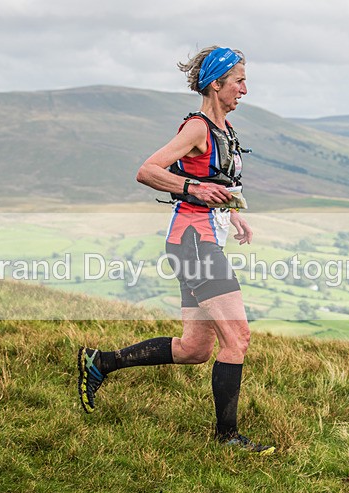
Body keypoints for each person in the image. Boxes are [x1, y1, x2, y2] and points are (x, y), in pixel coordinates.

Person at [78, 46, 274, 455]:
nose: (245, 89)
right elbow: (147, 170)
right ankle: (227, 438)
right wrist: (193, 189)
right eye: (238, 81)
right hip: (193, 244)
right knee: (237, 338)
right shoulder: (198, 129)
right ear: (215, 84)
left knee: (195, 349)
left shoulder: (225, 130)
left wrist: (232, 211)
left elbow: (217, 179)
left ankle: (100, 362)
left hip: (203, 238)